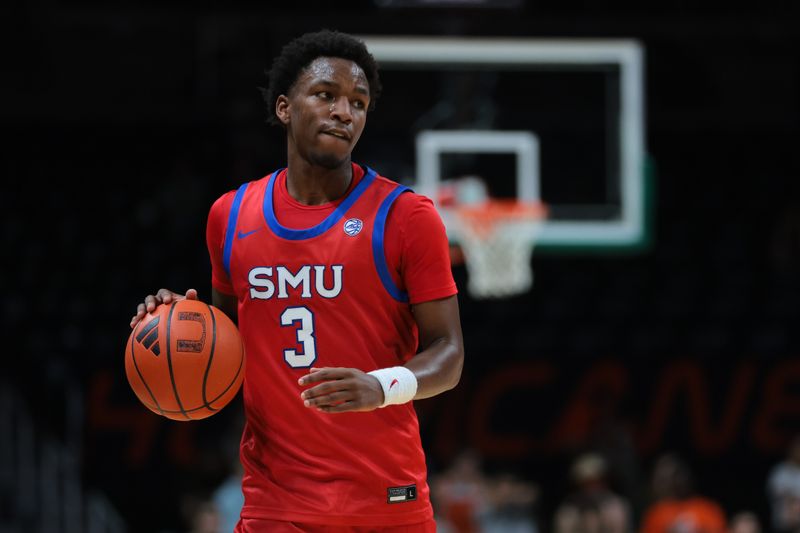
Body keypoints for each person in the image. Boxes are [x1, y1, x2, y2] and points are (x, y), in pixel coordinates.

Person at [131, 29, 464, 532]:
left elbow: (449, 353)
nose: (344, 112)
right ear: (285, 108)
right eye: (326, 95)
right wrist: (176, 324)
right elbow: (226, 344)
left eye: (358, 102)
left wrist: (381, 385)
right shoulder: (230, 214)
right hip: (276, 502)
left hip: (385, 498)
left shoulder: (406, 216)